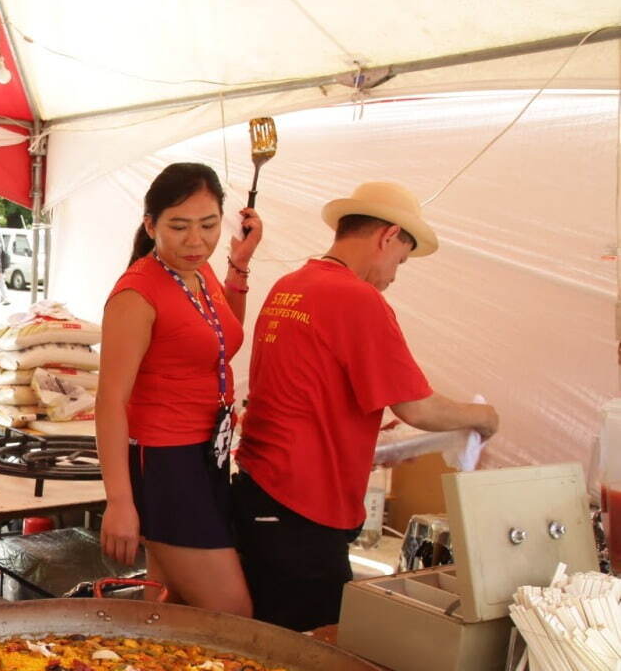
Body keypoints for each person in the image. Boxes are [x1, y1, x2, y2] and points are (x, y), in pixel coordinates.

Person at [233, 181, 499, 631]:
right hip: (304, 510)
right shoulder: (357, 298)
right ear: (387, 236)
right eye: (400, 260)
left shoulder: (291, 285)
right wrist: (482, 417)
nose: (395, 274)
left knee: (267, 637)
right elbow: (417, 407)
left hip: (260, 492)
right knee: (314, 651)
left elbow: (308, 392)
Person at [96, 162, 262, 615]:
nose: (195, 240)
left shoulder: (201, 272)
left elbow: (219, 342)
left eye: (208, 225)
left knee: (170, 608)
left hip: (206, 452)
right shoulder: (136, 294)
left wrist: (238, 267)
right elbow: (109, 401)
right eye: (179, 226)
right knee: (232, 613)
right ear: (150, 225)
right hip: (165, 461)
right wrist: (120, 502)